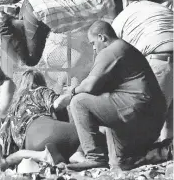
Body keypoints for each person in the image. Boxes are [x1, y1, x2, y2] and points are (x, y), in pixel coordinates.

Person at [67, 21, 167, 171]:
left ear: (102, 37)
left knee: (78, 102)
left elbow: (89, 86)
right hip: (151, 115)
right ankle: (166, 151)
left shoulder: (111, 50)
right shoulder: (125, 48)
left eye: (93, 43)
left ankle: (95, 157)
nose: (93, 48)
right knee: (120, 165)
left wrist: (71, 92)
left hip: (137, 108)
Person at [0, 0, 117, 66]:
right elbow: (112, 23)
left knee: (77, 62)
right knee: (33, 60)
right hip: (48, 44)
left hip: (46, 30)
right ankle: (5, 25)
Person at [0, 69, 79, 168]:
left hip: (35, 144)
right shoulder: (41, 91)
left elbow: (6, 144)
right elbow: (57, 105)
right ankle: (79, 154)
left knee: (14, 157)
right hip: (66, 132)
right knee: (85, 137)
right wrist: (73, 92)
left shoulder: (12, 109)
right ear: (41, 82)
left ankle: (64, 158)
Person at [111, 0, 173, 141]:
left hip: (159, 61)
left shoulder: (123, 16)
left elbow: (110, 52)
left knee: (147, 120)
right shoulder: (163, 9)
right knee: (169, 119)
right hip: (167, 59)